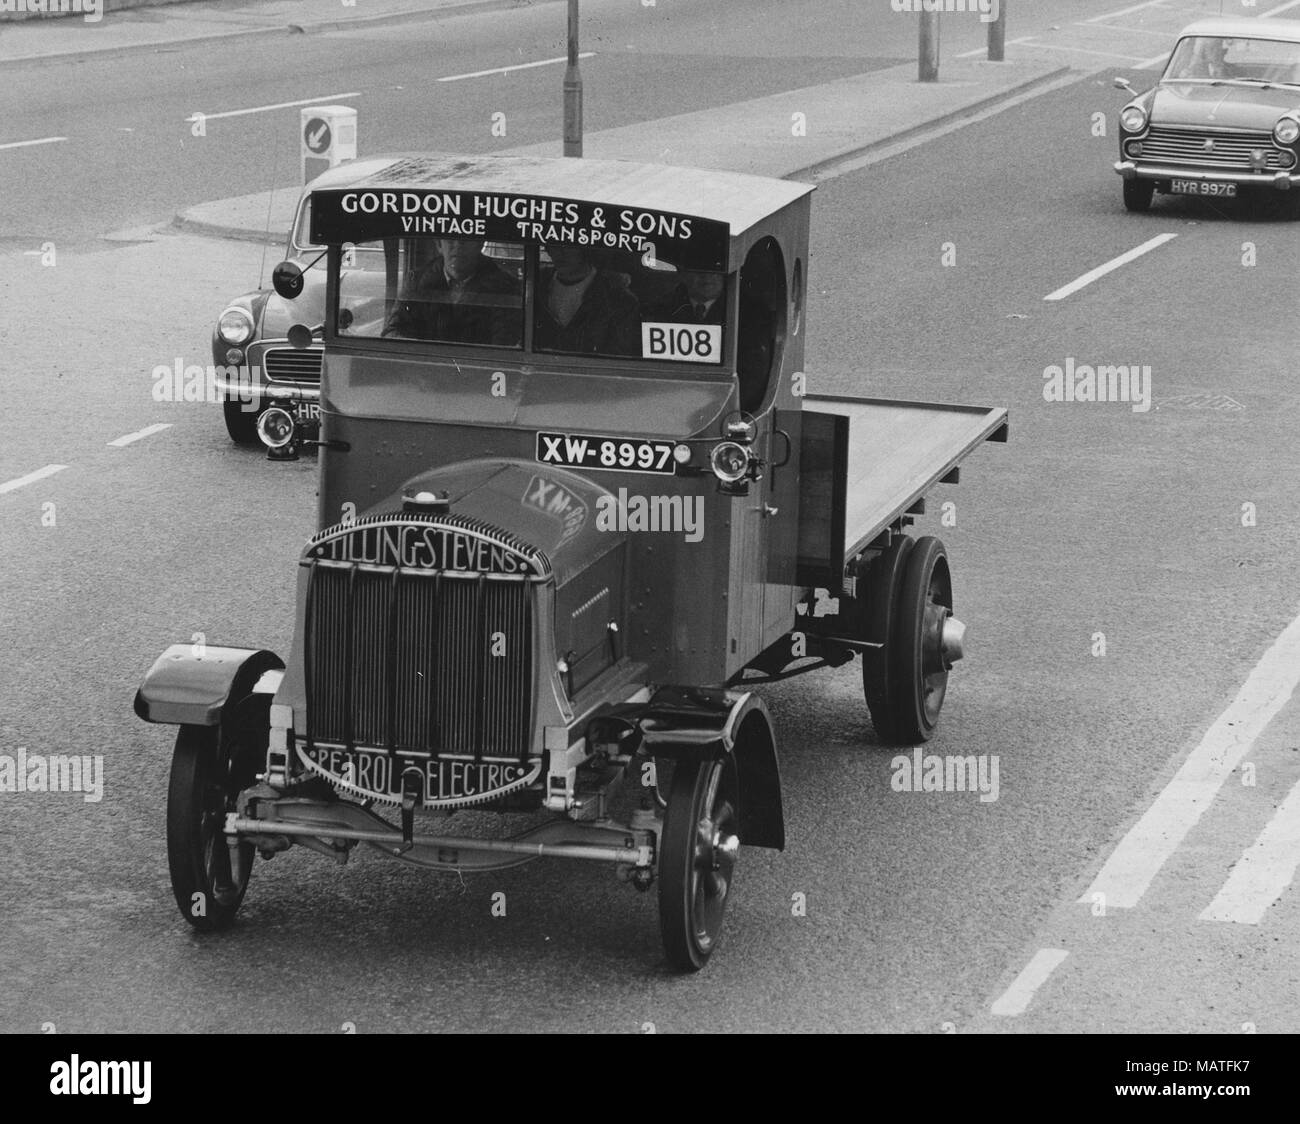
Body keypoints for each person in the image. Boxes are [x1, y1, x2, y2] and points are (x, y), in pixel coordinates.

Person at [383, 238, 521, 346]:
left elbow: (504, 345)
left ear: (480, 244)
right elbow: (393, 332)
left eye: (466, 239)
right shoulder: (416, 281)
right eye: (450, 239)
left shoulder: (505, 287)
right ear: (439, 245)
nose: (458, 245)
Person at [533, 244, 641, 356]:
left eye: (568, 246)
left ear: (584, 249)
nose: (560, 253)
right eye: (554, 245)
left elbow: (621, 357)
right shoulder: (534, 286)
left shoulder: (619, 299)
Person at [656, 270, 726, 324]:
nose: (707, 276)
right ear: (684, 276)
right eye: (699, 270)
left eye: (714, 270)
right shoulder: (662, 309)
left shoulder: (734, 309)